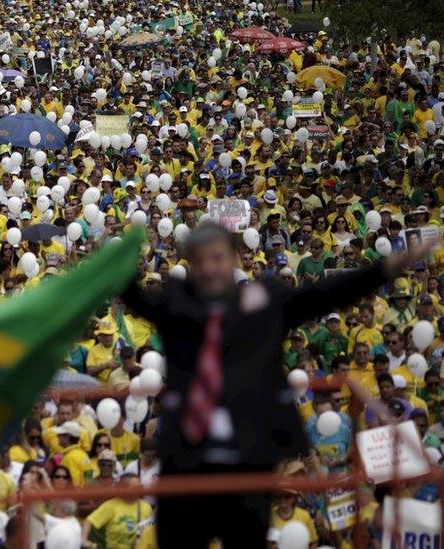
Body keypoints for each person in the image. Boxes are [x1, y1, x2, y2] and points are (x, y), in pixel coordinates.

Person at [120, 223, 431, 546]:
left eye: (217, 258)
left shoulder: (267, 302)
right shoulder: (175, 303)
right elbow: (132, 295)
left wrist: (386, 268)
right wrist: (111, 259)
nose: (210, 268)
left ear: (235, 258)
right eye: (200, 260)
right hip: (185, 464)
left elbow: (325, 294)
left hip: (250, 461)